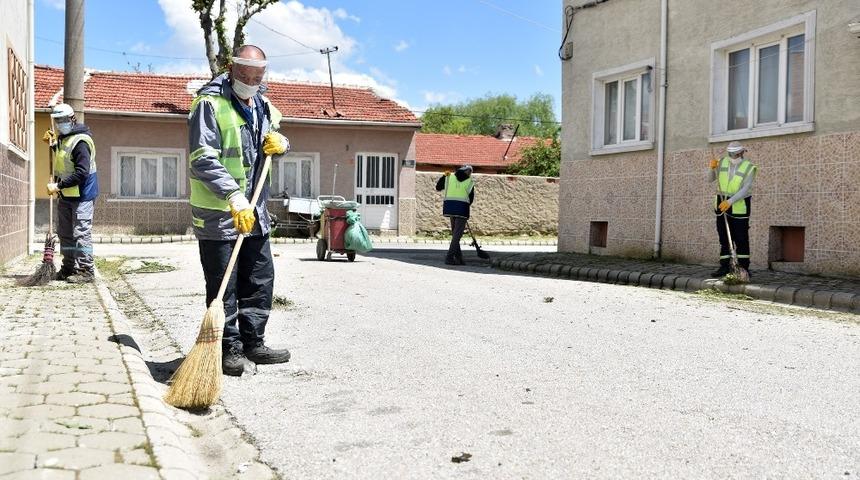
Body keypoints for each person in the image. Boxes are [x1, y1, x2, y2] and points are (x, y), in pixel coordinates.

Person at [188, 44, 291, 376]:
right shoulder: (209, 104)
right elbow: (203, 157)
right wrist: (233, 196)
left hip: (255, 211)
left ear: (264, 76)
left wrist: (284, 144)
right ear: (231, 70)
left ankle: (254, 343)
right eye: (244, 75)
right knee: (224, 285)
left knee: (259, 279)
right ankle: (228, 348)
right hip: (219, 213)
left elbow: (273, 137)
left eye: (257, 76)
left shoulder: (263, 105)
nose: (250, 81)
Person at [43, 103, 99, 283]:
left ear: (72, 119)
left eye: (63, 120)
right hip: (67, 194)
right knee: (65, 233)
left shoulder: (81, 142)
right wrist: (52, 145)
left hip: (83, 194)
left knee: (81, 233)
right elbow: (63, 159)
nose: (60, 124)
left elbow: (81, 173)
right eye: (57, 121)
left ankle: (86, 271)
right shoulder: (63, 138)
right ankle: (68, 268)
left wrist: (57, 186)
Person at [708, 141, 757, 277]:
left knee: (741, 238)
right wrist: (712, 168)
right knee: (723, 237)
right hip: (721, 203)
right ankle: (725, 266)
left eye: (735, 154)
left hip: (739, 206)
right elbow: (709, 179)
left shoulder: (749, 167)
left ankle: (743, 268)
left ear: (741, 153)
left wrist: (730, 201)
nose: (732, 156)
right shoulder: (722, 162)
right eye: (730, 154)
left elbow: (745, 189)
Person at [435, 165, 475, 265]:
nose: (470, 174)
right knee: (457, 234)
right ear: (468, 172)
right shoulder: (469, 181)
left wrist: (444, 176)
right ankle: (449, 257)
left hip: (450, 207)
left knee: (455, 234)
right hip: (462, 208)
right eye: (470, 172)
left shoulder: (449, 177)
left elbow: (438, 187)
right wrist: (464, 206)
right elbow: (471, 199)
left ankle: (459, 257)